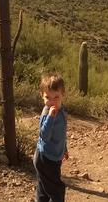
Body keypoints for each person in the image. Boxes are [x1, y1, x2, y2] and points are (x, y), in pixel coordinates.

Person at [34, 73, 69, 202]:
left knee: (44, 189)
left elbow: (61, 134)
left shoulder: (62, 112)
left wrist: (64, 149)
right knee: (57, 190)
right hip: (45, 158)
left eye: (56, 97)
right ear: (42, 96)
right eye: (48, 97)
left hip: (54, 157)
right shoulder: (46, 113)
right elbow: (44, 135)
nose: (52, 101)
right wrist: (50, 117)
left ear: (62, 95)